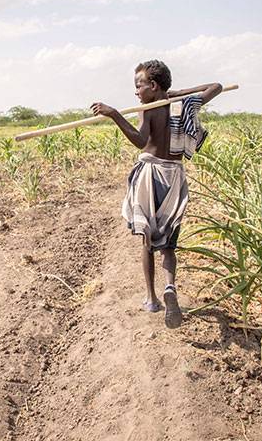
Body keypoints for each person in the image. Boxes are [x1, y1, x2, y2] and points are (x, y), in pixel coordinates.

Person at [91, 60, 222, 328]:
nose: (136, 92)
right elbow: (216, 86)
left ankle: (151, 298)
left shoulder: (147, 110)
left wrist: (115, 114)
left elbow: (140, 141)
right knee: (169, 242)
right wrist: (175, 94)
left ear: (152, 85)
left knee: (147, 240)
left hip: (151, 175)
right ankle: (170, 286)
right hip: (174, 176)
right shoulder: (184, 105)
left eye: (139, 85)